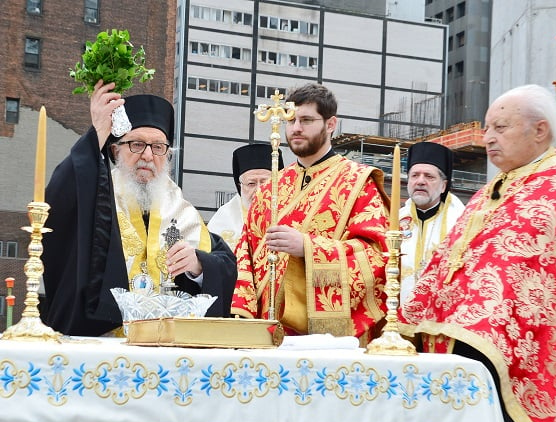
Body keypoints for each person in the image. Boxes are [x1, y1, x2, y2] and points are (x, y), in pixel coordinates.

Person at [400, 84, 556, 422]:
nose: (488, 138)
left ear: (540, 130)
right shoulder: (490, 192)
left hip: (533, 358)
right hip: (465, 353)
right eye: (486, 128)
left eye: (500, 127)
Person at [41, 81, 237, 337]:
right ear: (115, 149)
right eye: (136, 144)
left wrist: (199, 265)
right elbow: (60, 201)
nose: (147, 155)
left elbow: (225, 265)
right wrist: (98, 131)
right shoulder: (98, 199)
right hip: (102, 342)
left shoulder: (183, 212)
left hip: (168, 349)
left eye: (158, 147)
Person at [232, 83, 390, 344]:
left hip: (327, 339)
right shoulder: (270, 187)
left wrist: (307, 247)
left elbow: (377, 256)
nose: (295, 128)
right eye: (291, 120)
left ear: (331, 124)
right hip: (266, 334)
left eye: (306, 120)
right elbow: (244, 256)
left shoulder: (358, 182)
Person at [398, 141, 465, 304]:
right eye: (415, 175)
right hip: (397, 316)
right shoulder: (394, 220)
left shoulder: (461, 222)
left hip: (441, 317)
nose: (420, 181)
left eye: (429, 176)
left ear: (443, 186)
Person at [207, 143, 284, 252]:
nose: (259, 190)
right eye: (251, 183)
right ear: (240, 186)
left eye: (265, 183)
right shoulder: (223, 220)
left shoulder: (292, 212)